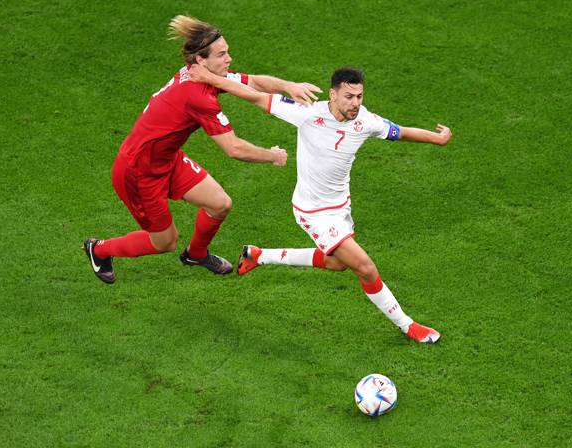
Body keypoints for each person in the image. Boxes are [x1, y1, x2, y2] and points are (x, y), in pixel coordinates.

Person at [187, 65, 452, 344]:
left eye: (359, 96)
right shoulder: (309, 113)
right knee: (365, 268)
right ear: (333, 94)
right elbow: (254, 95)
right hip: (312, 212)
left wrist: (437, 138)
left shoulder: (366, 121)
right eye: (349, 97)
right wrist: (209, 78)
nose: (355, 104)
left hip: (340, 209)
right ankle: (408, 325)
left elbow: (401, 132)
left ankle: (258, 256)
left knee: (337, 263)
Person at [83, 15, 321, 283]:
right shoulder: (198, 96)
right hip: (138, 173)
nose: (229, 59)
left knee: (220, 204)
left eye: (227, 52)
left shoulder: (201, 75)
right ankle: (99, 249)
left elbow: (251, 81)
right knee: (165, 242)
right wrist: (272, 155)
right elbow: (233, 148)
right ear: (201, 61)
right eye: (221, 55)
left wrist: (288, 86)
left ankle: (196, 254)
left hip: (166, 160)